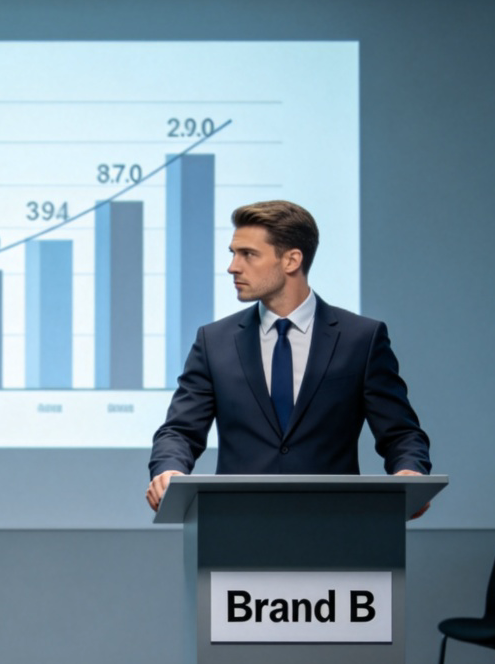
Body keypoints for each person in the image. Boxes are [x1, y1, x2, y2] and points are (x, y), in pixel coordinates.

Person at [146, 200, 431, 514]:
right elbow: (180, 430)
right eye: (233, 253)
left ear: (292, 260)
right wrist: (169, 470)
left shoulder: (361, 339)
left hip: (337, 525)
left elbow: (400, 433)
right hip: (235, 525)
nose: (232, 267)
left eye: (248, 254)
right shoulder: (213, 341)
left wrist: (410, 472)